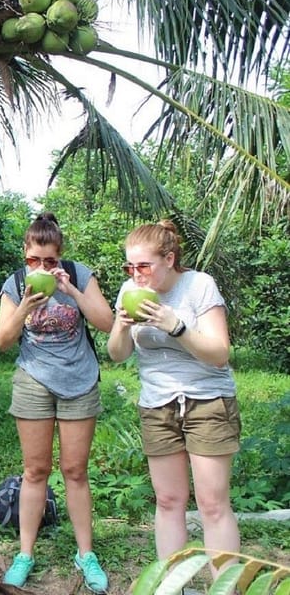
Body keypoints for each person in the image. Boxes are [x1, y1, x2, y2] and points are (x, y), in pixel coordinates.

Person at [107, 220, 240, 577]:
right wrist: (120, 325)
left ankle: (224, 587)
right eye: (129, 267)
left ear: (169, 259)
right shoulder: (128, 291)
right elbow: (118, 355)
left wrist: (175, 326)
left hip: (207, 401)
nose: (136, 275)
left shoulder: (199, 286)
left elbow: (219, 353)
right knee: (168, 501)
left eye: (143, 266)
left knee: (212, 505)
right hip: (157, 405)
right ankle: (172, 584)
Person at [0, 212, 113, 593]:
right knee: (35, 471)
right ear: (25, 255)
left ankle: (85, 554)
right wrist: (26, 305)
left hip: (79, 380)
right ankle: (25, 554)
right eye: (34, 260)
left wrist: (72, 291)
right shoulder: (15, 285)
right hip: (33, 381)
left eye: (50, 261)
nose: (42, 267)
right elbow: (2, 340)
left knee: (75, 470)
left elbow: (107, 323)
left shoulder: (79, 275)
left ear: (60, 257)